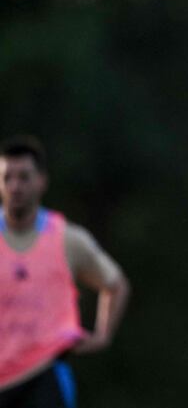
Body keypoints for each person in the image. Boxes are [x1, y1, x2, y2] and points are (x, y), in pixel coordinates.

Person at [0, 135, 130, 408]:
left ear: (41, 181)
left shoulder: (66, 239)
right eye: (7, 178)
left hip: (44, 373)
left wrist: (102, 335)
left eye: (24, 177)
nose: (15, 186)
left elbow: (115, 284)